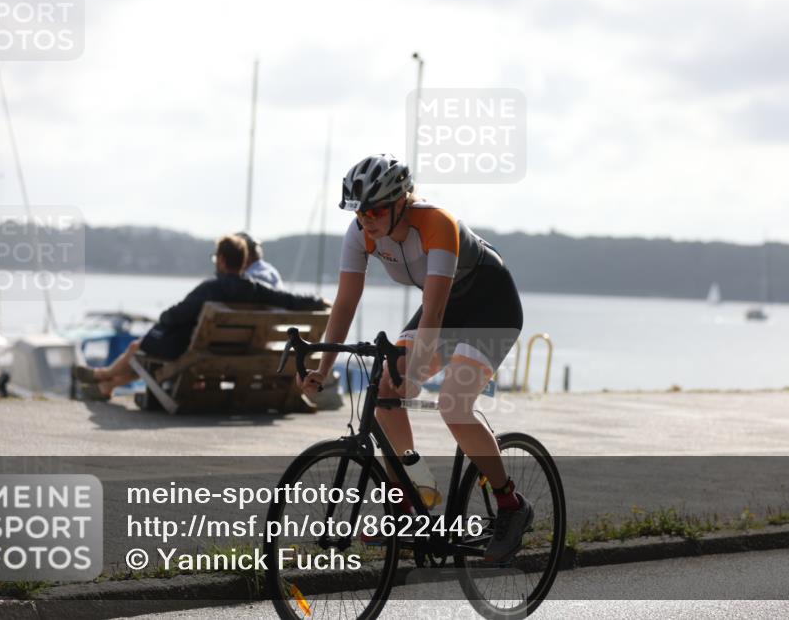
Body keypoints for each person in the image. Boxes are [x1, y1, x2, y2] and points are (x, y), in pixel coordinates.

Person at [297, 153, 528, 564]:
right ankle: (412, 498)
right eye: (359, 211)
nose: (367, 219)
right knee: (386, 389)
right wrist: (324, 367)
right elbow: (346, 302)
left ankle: (510, 503)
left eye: (376, 210)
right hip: (446, 309)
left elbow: (433, 312)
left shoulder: (436, 223)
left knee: (453, 404)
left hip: (490, 307)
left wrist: (417, 371)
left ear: (402, 200)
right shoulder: (360, 233)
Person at [75, 234, 328, 397]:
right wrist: (319, 302)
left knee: (138, 348)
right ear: (243, 262)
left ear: (222, 261)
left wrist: (163, 318)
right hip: (236, 350)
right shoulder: (256, 289)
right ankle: (105, 384)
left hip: (198, 352)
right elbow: (290, 300)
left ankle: (103, 376)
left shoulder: (210, 289)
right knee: (143, 349)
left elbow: (175, 315)